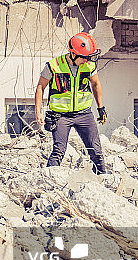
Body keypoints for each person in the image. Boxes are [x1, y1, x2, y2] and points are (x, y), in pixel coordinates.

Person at [34, 31, 107, 174]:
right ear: (73, 54)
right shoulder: (53, 65)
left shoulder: (89, 65)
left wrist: (101, 108)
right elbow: (40, 87)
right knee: (59, 150)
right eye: (84, 58)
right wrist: (38, 112)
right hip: (60, 116)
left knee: (96, 150)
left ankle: (103, 178)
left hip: (84, 114)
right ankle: (49, 179)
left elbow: (96, 84)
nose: (87, 61)